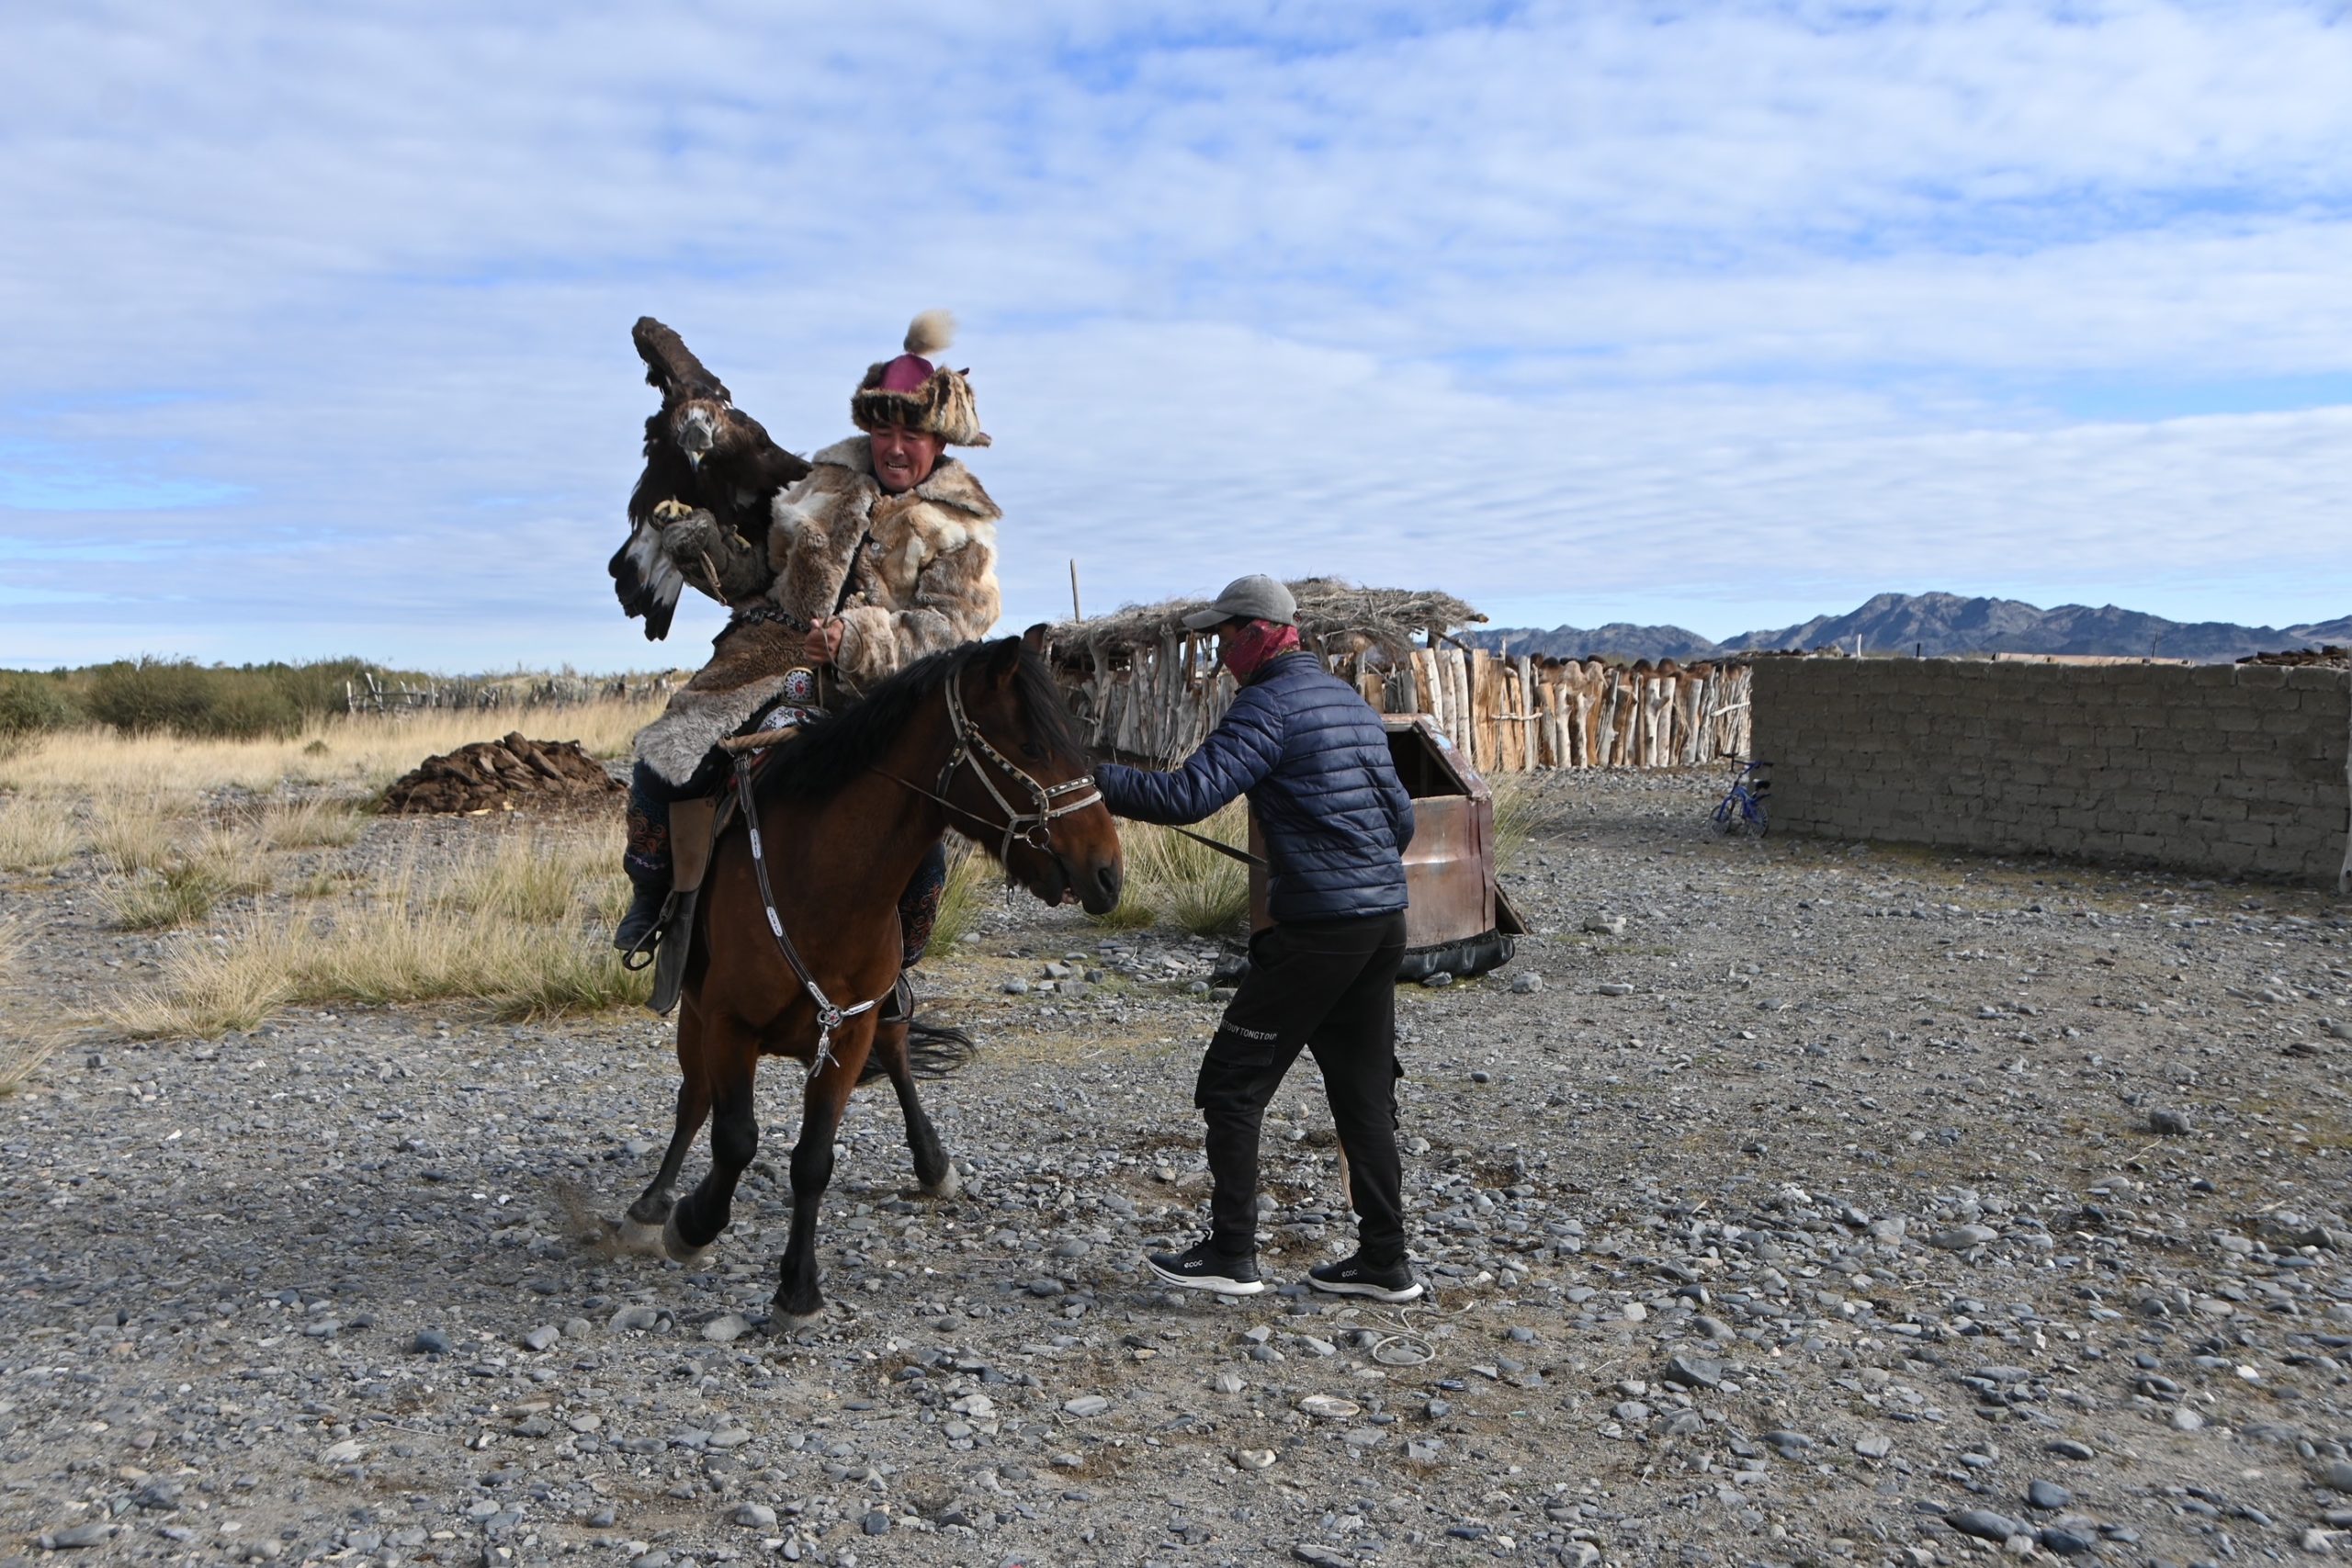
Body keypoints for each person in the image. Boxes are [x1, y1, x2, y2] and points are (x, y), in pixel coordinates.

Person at [616, 311, 1002, 958]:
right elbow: (761, 576)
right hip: (766, 655)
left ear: (938, 440)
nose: (895, 447)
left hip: (881, 699)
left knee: (921, 850)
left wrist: (857, 641)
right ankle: (652, 897)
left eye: (911, 434)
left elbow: (948, 631)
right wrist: (705, 551)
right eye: (884, 431)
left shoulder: (963, 532)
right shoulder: (818, 485)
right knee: (665, 760)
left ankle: (897, 969)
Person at [1093, 575, 1423, 1303]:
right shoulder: (1348, 701)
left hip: (1319, 931)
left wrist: (1086, 780)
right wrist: (1345, 861)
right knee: (1363, 1094)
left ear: (1258, 633)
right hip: (1381, 924)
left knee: (1233, 1082)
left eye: (1223, 637)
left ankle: (1231, 1253)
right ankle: (1385, 1261)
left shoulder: (1267, 704)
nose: (1220, 654)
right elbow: (1401, 820)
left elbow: (1188, 795)